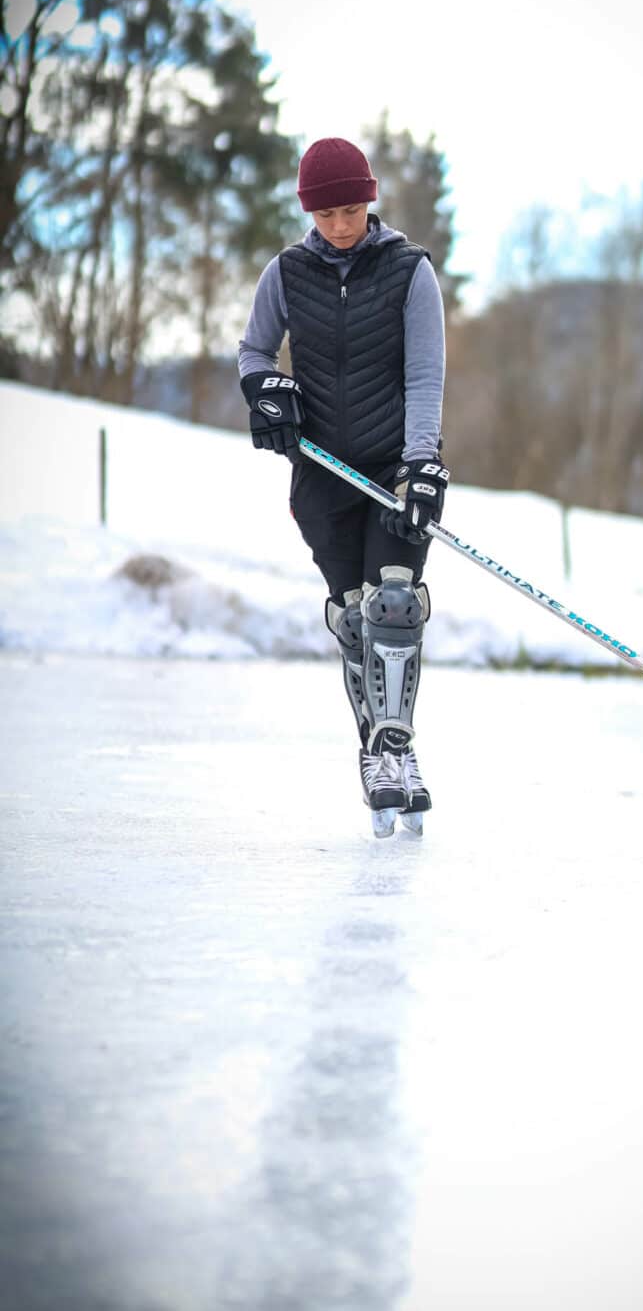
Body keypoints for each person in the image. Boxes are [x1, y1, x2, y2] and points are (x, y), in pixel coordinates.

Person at [238, 137, 449, 836]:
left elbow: (424, 374)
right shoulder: (286, 273)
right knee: (356, 618)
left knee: (394, 606)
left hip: (392, 472)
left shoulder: (409, 270)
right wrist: (266, 391)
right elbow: (254, 349)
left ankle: (398, 752)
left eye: (352, 210)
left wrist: (421, 464)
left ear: (371, 200)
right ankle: (375, 757)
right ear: (309, 213)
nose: (340, 226)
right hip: (324, 474)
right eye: (327, 215)